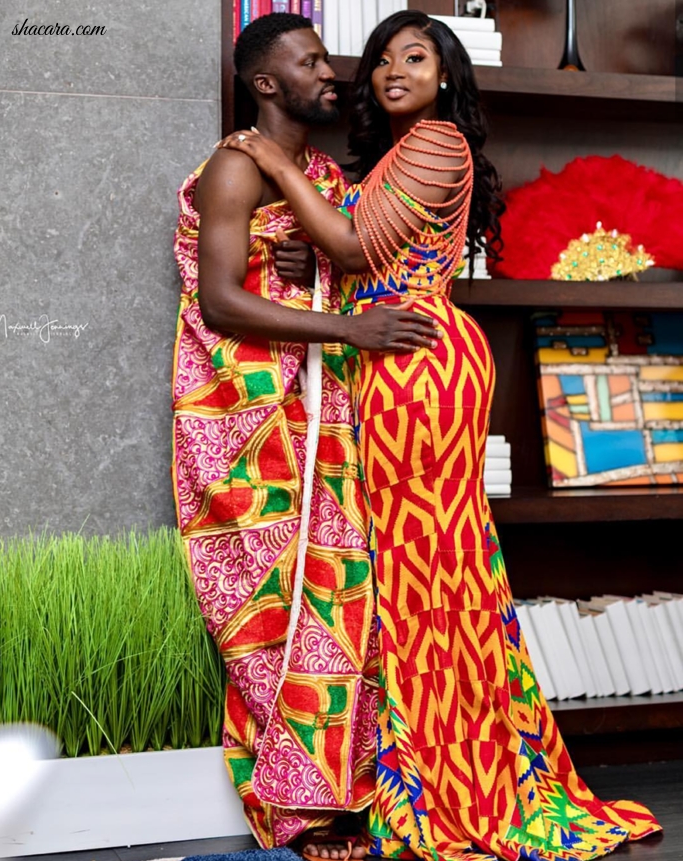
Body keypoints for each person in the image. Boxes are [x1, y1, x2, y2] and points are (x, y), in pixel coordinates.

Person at [220, 10, 662, 861]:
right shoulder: (392, 156)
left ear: (447, 76)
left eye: (415, 57)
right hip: (382, 357)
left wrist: (273, 161)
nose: (393, 69)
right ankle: (416, 773)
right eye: (382, 57)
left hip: (416, 364)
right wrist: (312, 255)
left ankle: (457, 779)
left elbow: (352, 245)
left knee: (428, 570)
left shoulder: (437, 144)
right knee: (401, 573)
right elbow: (349, 253)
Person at [171, 12, 441, 855]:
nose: (334, 72)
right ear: (264, 83)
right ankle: (300, 807)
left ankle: (335, 790)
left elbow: (340, 256)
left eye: (328, 58)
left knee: (334, 602)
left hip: (319, 414)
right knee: (267, 609)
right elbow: (219, 301)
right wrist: (350, 330)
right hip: (239, 421)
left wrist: (309, 267)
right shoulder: (233, 165)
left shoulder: (316, 172)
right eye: (312, 61)